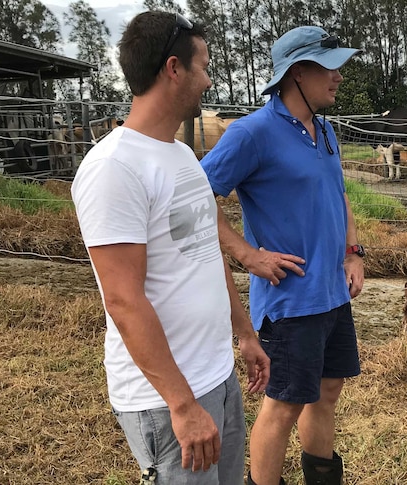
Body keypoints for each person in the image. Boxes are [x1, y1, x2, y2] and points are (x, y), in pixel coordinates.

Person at [71, 11, 269, 484]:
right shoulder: (113, 169)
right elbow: (123, 299)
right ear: (174, 68)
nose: (208, 79)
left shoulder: (180, 155)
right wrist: (181, 405)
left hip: (216, 375)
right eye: (203, 66)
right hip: (165, 400)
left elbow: (204, 250)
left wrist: (243, 332)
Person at [200, 26, 364, 485]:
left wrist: (353, 252)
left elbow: (339, 194)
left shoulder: (325, 130)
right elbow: (195, 198)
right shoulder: (252, 133)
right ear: (296, 73)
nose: (338, 77)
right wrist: (247, 255)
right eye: (329, 67)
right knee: (284, 405)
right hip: (290, 301)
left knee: (327, 391)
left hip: (331, 292)